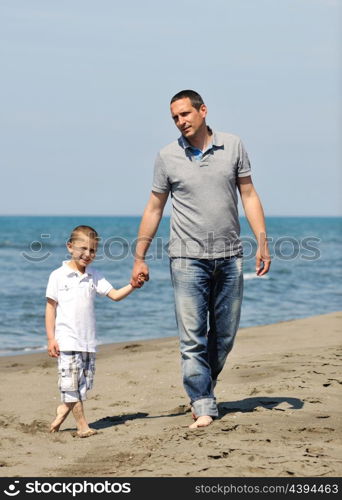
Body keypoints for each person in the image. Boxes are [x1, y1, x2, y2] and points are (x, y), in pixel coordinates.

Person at [131, 90, 271, 429]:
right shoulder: (167, 156)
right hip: (186, 258)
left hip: (229, 256)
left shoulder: (233, 146)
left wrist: (262, 241)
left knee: (223, 337)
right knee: (192, 337)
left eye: (185, 114)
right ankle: (203, 402)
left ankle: (203, 388)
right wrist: (139, 256)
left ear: (202, 111)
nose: (180, 122)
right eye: (175, 118)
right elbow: (154, 207)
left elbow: (248, 194)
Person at [45, 225, 144, 437]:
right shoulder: (58, 276)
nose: (87, 254)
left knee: (82, 387)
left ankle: (63, 409)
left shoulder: (94, 275)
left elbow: (115, 295)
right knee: (71, 385)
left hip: (88, 342)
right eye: (83, 249)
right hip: (67, 341)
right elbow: (50, 308)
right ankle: (82, 426)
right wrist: (51, 338)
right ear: (70, 247)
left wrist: (133, 285)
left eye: (92, 250)